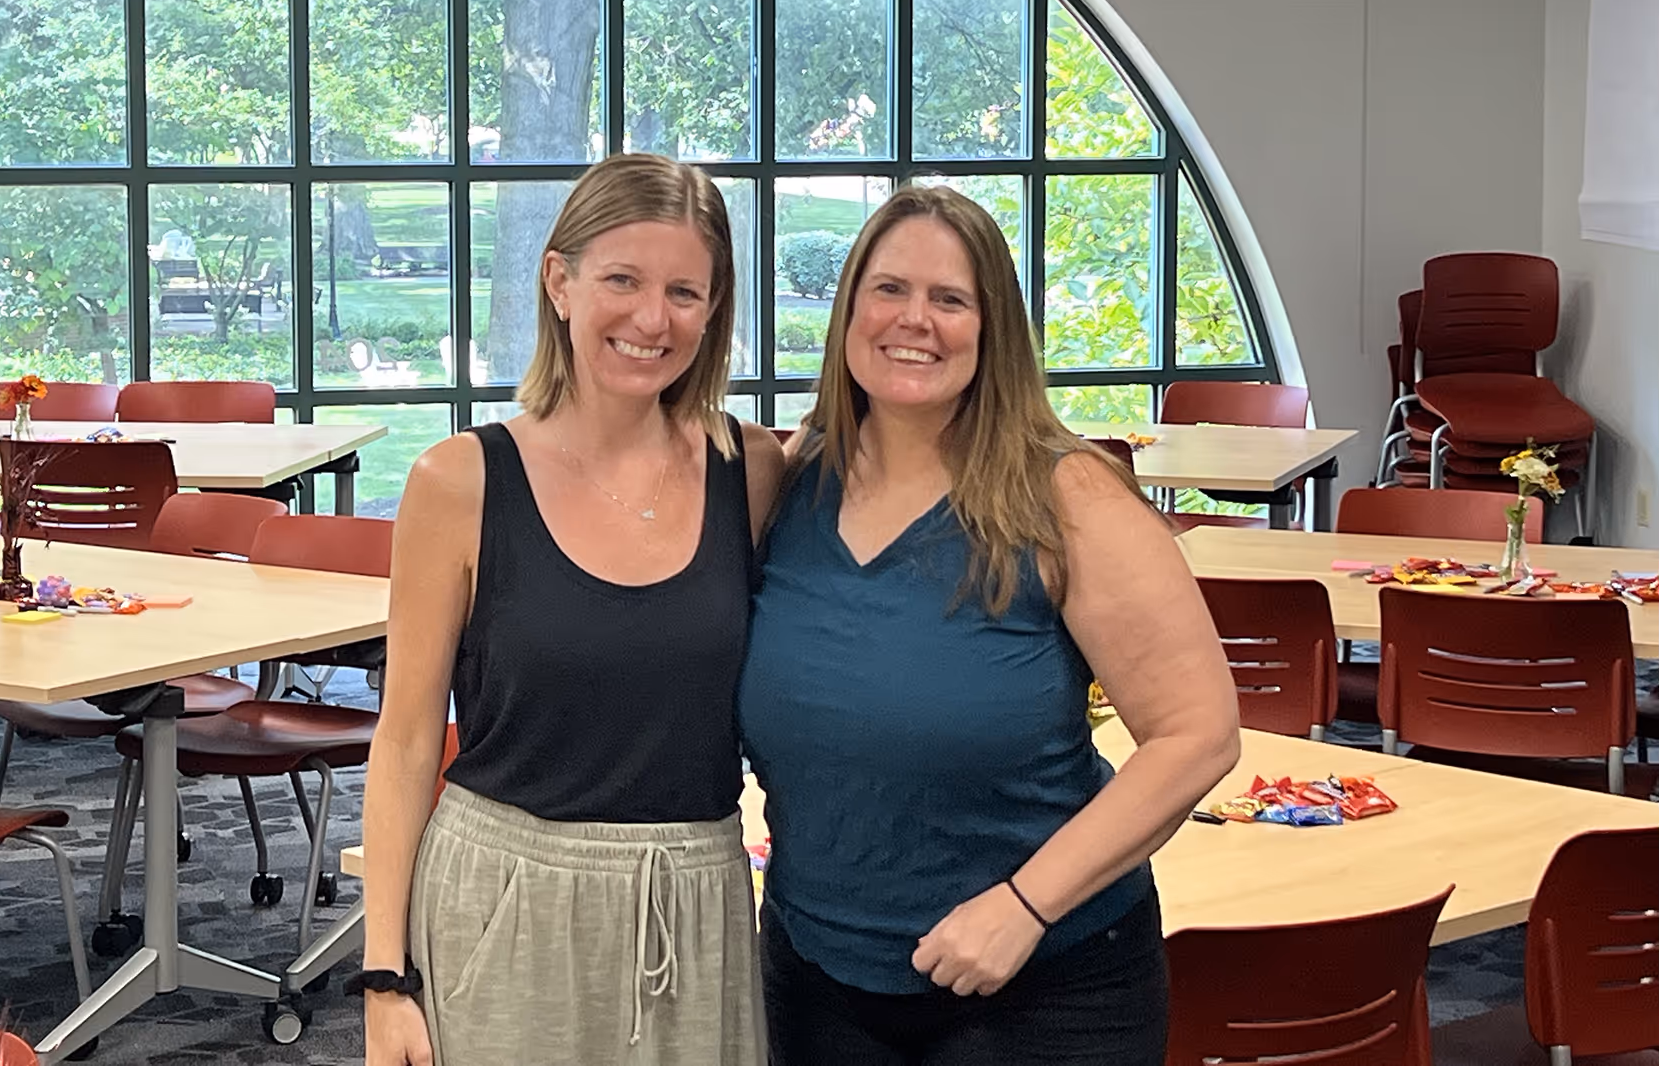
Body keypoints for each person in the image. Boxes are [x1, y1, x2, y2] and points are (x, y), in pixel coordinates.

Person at [737, 185, 1242, 1065]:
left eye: (951, 299)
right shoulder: (790, 483)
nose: (914, 320)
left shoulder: (1068, 496)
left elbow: (1197, 735)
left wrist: (1027, 904)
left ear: (993, 326)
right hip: (817, 975)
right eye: (889, 289)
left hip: (1041, 987)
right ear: (849, 307)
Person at [359, 152, 785, 1066]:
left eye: (684, 291)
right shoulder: (461, 480)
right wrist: (384, 980)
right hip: (505, 896)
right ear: (560, 281)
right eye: (622, 280)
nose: (651, 318)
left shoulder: (749, 472)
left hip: (697, 900)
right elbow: (401, 741)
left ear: (714, 310)